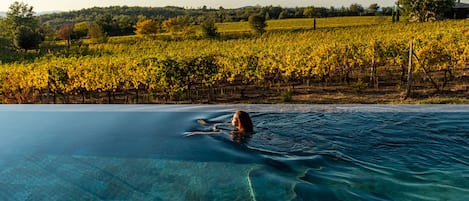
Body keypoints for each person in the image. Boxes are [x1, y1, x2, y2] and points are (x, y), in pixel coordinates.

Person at [185, 110, 254, 142]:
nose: (231, 119)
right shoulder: (242, 128)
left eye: (233, 118)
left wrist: (195, 133)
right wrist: (206, 124)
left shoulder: (238, 134)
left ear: (239, 122)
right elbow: (222, 125)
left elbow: (217, 133)